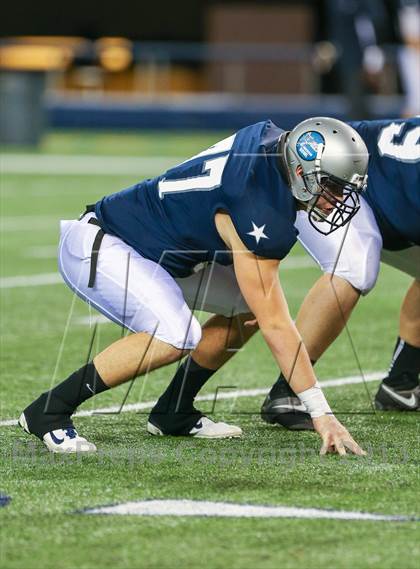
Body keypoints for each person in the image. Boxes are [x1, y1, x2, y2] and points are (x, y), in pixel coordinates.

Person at [18, 117, 369, 456]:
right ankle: (49, 410)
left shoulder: (271, 144)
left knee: (247, 308)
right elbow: (278, 324)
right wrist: (322, 412)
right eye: (332, 186)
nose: (336, 199)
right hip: (105, 243)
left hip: (160, 251)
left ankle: (174, 410)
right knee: (177, 334)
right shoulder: (258, 202)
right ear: (300, 171)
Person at [261, 117, 420, 430]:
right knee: (355, 266)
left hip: (387, 196)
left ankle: (400, 384)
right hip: (332, 181)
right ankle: (289, 391)